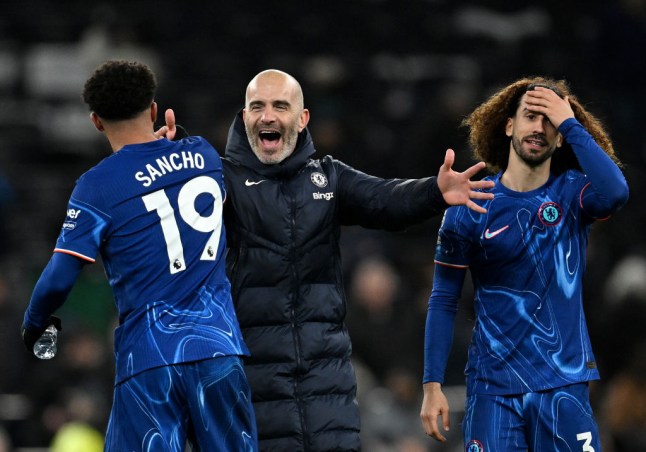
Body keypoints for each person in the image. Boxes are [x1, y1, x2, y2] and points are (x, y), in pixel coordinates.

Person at [161, 68, 494, 451]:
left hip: (326, 389)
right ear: (245, 117)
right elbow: (174, 221)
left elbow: (386, 199)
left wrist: (435, 191)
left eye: (280, 106)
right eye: (258, 106)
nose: (268, 115)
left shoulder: (328, 178)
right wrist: (169, 170)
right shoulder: (219, 180)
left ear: (302, 119)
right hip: (251, 387)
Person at [20, 60, 257, 452]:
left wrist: (34, 323)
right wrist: (172, 144)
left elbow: (60, 277)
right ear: (152, 109)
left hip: (150, 360)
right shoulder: (204, 155)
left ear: (96, 122)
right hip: (219, 350)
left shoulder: (96, 186)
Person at [419, 77, 629, 450]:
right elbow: (443, 298)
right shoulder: (472, 204)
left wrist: (571, 122)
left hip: (562, 383)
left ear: (562, 136)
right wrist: (432, 385)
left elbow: (616, 192)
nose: (539, 128)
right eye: (531, 116)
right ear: (508, 124)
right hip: (493, 389)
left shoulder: (574, 193)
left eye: (551, 121)